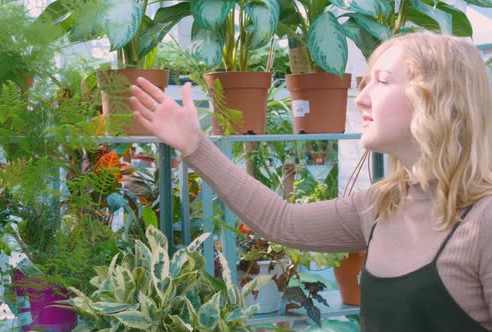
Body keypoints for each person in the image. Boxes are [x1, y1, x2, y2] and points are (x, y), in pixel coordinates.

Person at [129, 32, 492, 331]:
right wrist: (196, 146)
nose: (361, 99)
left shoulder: (484, 220)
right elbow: (281, 221)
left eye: (380, 82)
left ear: (438, 100)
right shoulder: (382, 205)